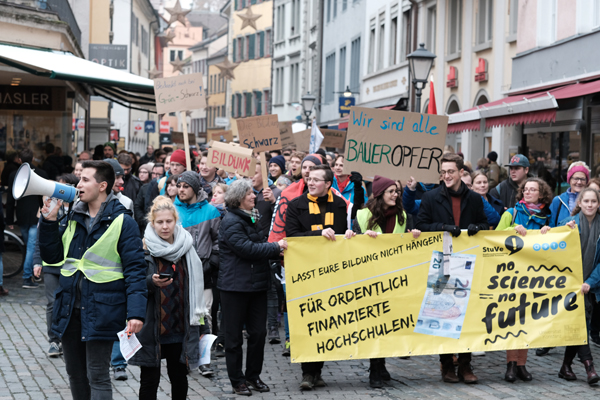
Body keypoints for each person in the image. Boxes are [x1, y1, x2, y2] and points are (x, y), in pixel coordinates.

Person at [38, 160, 147, 399]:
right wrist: (48, 222)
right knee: (75, 374)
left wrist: (136, 313)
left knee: (97, 375)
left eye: (85, 180)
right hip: (69, 306)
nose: (79, 184)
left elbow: (136, 270)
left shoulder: (123, 222)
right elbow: (53, 257)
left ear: (102, 186)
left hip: (102, 309)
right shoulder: (72, 216)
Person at [416, 153, 488, 384]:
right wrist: (444, 227)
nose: (446, 175)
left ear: (461, 173)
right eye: (443, 172)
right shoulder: (430, 197)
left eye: (450, 171)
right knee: (444, 311)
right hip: (442, 261)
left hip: (467, 262)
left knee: (467, 314)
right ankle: (447, 364)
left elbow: (486, 224)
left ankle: (465, 365)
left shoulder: (475, 199)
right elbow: (421, 225)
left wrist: (478, 227)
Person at [130, 196, 209, 399]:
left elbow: (196, 291)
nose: (165, 226)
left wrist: (203, 328)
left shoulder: (187, 248)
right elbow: (132, 284)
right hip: (152, 328)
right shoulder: (143, 250)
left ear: (176, 221)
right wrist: (150, 282)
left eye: (169, 221)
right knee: (149, 381)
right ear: (152, 223)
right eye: (160, 222)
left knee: (179, 378)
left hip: (180, 327)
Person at [285, 164, 355, 390]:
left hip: (331, 272)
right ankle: (307, 373)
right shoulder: (296, 205)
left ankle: (318, 371)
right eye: (309, 179)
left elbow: (345, 233)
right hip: (305, 271)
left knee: (324, 322)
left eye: (316, 180)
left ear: (328, 184)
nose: (310, 182)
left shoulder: (340, 205)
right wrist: (318, 234)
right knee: (308, 320)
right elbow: (293, 236)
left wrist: (350, 234)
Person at [218, 179, 287, 395]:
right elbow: (247, 249)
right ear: (239, 198)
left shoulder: (250, 218)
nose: (253, 196)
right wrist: (275, 247)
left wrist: (276, 251)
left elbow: (258, 245)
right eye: (249, 193)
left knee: (258, 334)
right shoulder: (231, 221)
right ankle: (237, 380)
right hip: (234, 288)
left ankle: (253, 376)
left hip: (256, 286)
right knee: (234, 337)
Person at [353, 175, 420, 388]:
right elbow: (351, 244)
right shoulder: (363, 215)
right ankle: (375, 370)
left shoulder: (403, 216)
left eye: (397, 191)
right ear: (380, 194)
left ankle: (380, 366)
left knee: (387, 325)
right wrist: (362, 238)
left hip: (394, 278)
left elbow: (408, 241)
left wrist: (415, 235)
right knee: (375, 324)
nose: (396, 195)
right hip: (371, 277)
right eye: (391, 191)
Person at [495, 177, 553, 382]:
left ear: (541, 194)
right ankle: (510, 365)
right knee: (512, 319)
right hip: (510, 274)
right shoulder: (511, 213)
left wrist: (549, 232)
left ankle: (522, 365)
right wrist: (512, 230)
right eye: (525, 189)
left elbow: (557, 239)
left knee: (527, 319)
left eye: (532, 190)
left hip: (534, 275)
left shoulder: (547, 217)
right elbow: (494, 236)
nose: (527, 192)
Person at [174, 171, 221, 376]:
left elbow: (219, 240)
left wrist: (212, 262)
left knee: (204, 316)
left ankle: (204, 360)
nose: (181, 190)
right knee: (182, 316)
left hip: (204, 271)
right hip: (179, 271)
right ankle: (186, 356)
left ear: (195, 188)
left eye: (186, 186)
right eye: (179, 186)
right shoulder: (172, 210)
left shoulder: (211, 211)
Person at [32, 174, 79, 357]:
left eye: (65, 188)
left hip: (71, 265)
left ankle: (68, 338)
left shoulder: (80, 209)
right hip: (51, 265)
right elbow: (40, 239)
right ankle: (54, 340)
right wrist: (37, 261)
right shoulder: (50, 207)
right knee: (52, 303)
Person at [560, 188, 600, 385]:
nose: (590, 205)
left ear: (598, 204)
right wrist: (564, 230)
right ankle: (589, 367)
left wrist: (590, 282)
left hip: (590, 285)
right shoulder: (570, 222)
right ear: (580, 203)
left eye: (594, 201)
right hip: (569, 284)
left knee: (579, 324)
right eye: (587, 201)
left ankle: (565, 366)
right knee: (580, 324)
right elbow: (553, 238)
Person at [6, 148, 48, 289]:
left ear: (19, 159)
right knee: (31, 247)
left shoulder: (14, 174)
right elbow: (45, 196)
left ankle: (28, 275)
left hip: (22, 215)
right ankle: (27, 277)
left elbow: (11, 199)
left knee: (29, 246)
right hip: (37, 214)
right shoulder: (42, 173)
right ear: (33, 157)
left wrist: (10, 220)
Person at [251, 162, 283, 344]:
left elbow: (280, 219)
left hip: (270, 247)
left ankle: (272, 328)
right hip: (254, 246)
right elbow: (253, 219)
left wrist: (272, 203)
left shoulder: (275, 193)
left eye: (254, 173)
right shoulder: (250, 195)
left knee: (271, 290)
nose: (251, 177)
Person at [549, 161, 591, 227]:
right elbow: (551, 225)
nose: (579, 182)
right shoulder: (558, 201)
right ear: (569, 179)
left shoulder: (592, 200)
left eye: (582, 179)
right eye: (576, 178)